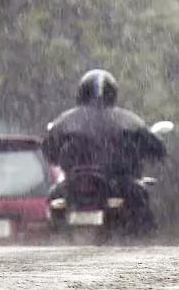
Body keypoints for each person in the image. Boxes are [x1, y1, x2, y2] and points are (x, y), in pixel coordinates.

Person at [43, 69, 166, 235]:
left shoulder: (65, 121)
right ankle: (142, 240)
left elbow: (49, 151)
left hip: (75, 183)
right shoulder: (128, 120)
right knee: (141, 198)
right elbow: (156, 148)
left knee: (54, 196)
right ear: (113, 93)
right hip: (118, 182)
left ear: (81, 92)